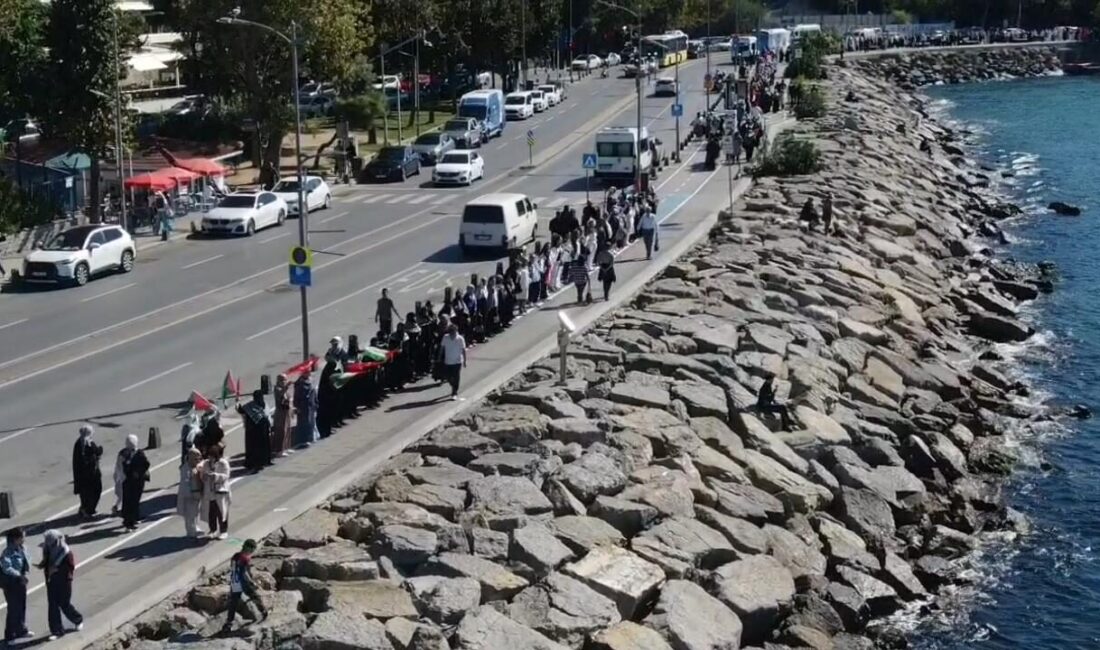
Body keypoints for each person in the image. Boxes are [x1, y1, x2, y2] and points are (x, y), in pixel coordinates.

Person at [39, 530, 81, 640]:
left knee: (64, 603)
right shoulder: (47, 549)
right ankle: (57, 630)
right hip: (51, 580)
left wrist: (56, 569)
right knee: (52, 606)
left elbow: (70, 567)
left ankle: (77, 619)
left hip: (64, 581)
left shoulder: (65, 551)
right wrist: (43, 564)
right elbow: (46, 561)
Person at [220, 539, 267, 634]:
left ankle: (229, 623)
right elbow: (245, 573)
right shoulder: (245, 558)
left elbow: (233, 569)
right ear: (248, 547)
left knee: (233, 603)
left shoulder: (235, 556)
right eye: (252, 549)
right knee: (255, 596)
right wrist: (252, 582)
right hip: (244, 582)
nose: (252, 551)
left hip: (235, 581)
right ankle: (263, 611)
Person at [2, 527, 32, 643]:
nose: (24, 538)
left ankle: (21, 630)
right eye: (23, 536)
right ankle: (10, 635)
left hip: (20, 582)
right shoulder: (7, 552)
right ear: (16, 539)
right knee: (13, 609)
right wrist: (19, 575)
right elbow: (6, 568)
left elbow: (26, 560)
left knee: (21, 607)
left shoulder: (22, 548)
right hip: (11, 584)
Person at [119, 435, 150, 531]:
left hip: (128, 480)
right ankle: (129, 522)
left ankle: (131, 518)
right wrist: (138, 472)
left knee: (129, 500)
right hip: (134, 481)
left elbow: (121, 466)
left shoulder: (124, 453)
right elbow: (146, 464)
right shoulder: (138, 453)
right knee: (133, 501)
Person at [71, 425, 103, 518]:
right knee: (95, 491)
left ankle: (84, 508)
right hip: (91, 474)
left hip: (81, 475)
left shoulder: (78, 443)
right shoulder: (89, 443)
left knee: (84, 493)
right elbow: (97, 451)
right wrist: (100, 449)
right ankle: (88, 510)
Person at [238, 390, 273, 471]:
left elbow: (266, 415)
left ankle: (266, 461)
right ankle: (255, 464)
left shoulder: (263, 404)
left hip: (264, 430)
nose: (261, 398)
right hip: (253, 431)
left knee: (265, 446)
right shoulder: (249, 406)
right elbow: (241, 410)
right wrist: (238, 403)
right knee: (255, 448)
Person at [202, 443, 231, 540]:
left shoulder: (223, 463)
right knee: (211, 512)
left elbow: (226, 476)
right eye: (209, 456)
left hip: (221, 491)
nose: (210, 458)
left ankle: (223, 531)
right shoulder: (206, 464)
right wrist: (205, 476)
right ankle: (213, 530)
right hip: (210, 492)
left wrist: (215, 476)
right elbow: (203, 475)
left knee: (222, 512)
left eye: (212, 456)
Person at [177, 448, 205, 538]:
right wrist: (191, 495)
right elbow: (185, 485)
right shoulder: (185, 469)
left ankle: (196, 527)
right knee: (189, 516)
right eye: (196, 459)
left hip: (196, 494)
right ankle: (190, 531)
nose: (198, 461)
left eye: (199, 459)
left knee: (195, 513)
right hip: (189, 496)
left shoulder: (196, 466)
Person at [439, 323, 467, 401]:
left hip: (457, 361)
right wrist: (439, 357)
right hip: (448, 361)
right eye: (451, 332)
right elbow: (442, 348)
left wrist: (465, 361)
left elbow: (463, 350)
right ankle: (453, 385)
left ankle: (454, 392)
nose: (452, 333)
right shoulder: (445, 337)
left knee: (456, 377)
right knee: (448, 376)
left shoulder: (460, 338)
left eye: (454, 332)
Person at [292, 370, 319, 448]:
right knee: (303, 424)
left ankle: (310, 438)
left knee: (311, 423)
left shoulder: (310, 381)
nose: (309, 374)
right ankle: (303, 440)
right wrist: (297, 407)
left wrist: (316, 403)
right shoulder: (299, 384)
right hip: (303, 408)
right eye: (307, 373)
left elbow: (314, 393)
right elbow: (296, 397)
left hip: (311, 407)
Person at [271, 374, 293, 458]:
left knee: (288, 429)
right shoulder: (277, 389)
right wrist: (286, 387)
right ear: (279, 381)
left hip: (287, 411)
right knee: (281, 431)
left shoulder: (284, 389)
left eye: (285, 380)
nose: (285, 382)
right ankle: (279, 450)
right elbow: (281, 394)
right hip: (281, 412)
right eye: (283, 380)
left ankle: (286, 447)